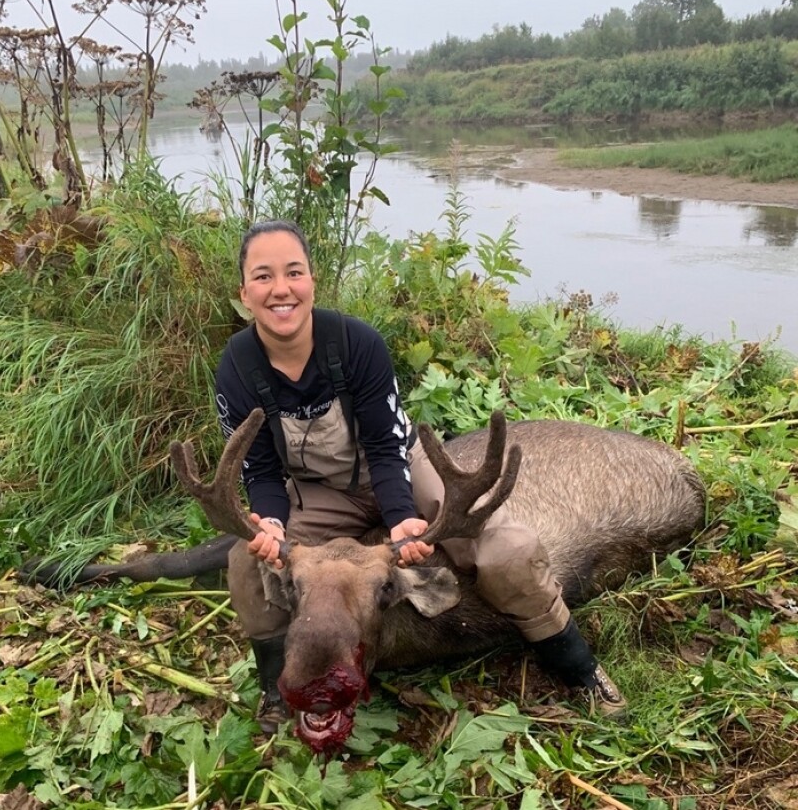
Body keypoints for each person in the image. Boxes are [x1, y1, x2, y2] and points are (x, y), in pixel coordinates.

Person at [214, 219, 625, 733]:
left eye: (293, 272)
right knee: (246, 563)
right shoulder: (237, 366)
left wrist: (402, 517)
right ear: (245, 292)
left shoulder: (356, 343)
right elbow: (260, 468)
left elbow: (387, 449)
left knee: (505, 548)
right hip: (318, 490)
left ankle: (578, 667)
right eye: (264, 276)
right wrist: (271, 523)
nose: (281, 289)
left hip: (398, 468)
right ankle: (276, 689)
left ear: (312, 281)